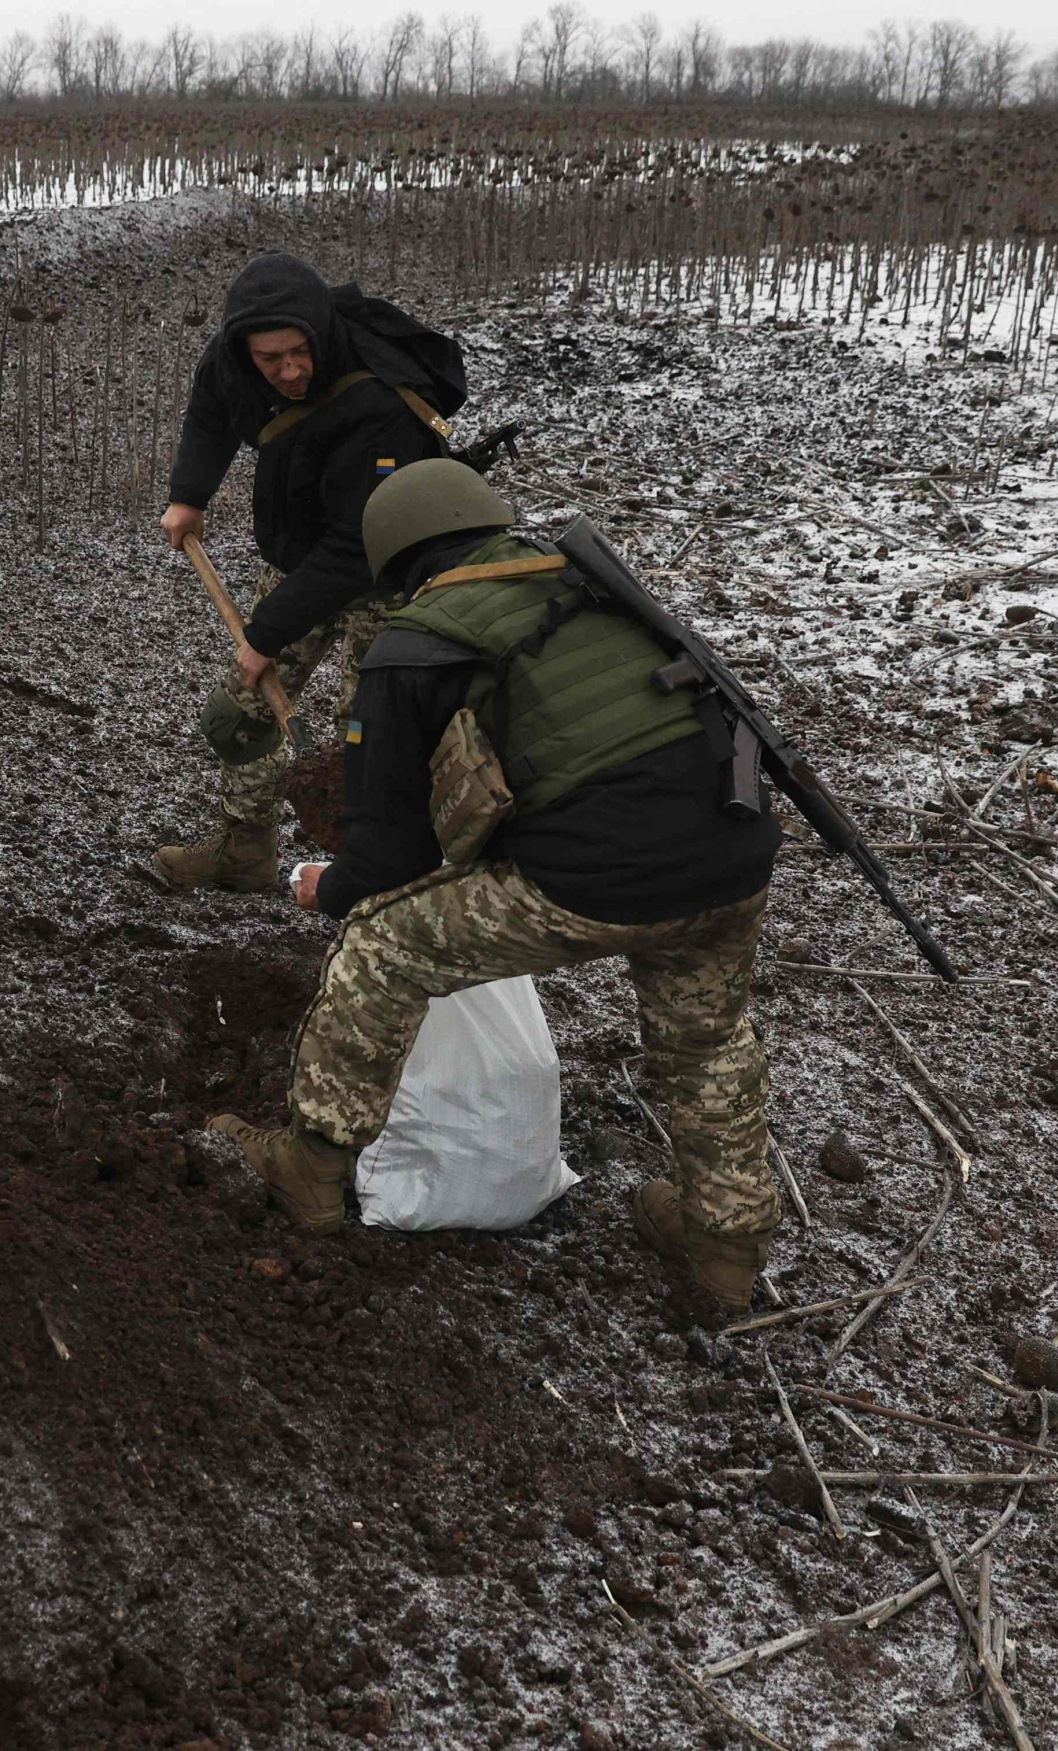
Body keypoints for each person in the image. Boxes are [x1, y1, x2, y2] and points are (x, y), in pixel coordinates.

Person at [206, 459, 787, 1318]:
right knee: (704, 1042)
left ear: (396, 561)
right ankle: (726, 1251)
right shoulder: (595, 588)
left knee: (384, 945)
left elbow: (386, 860)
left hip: (599, 873)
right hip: (733, 853)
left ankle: (310, 1167)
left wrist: (328, 892)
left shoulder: (413, 644)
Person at [149, 252, 487, 895]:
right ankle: (244, 853)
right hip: (301, 558)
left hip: (385, 574)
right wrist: (189, 494)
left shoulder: (380, 403)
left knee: (365, 741)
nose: (289, 370)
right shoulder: (232, 360)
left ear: (320, 332)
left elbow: (354, 548)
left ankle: (368, 880)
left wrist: (265, 634)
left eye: (298, 352)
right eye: (270, 359)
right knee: (239, 714)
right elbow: (212, 411)